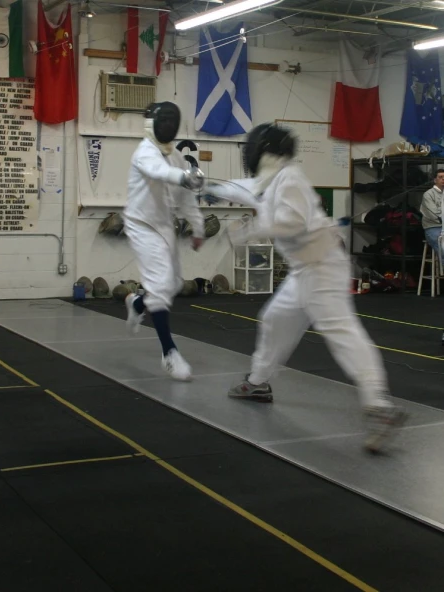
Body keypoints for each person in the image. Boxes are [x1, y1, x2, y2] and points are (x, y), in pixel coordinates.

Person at [206, 123, 407, 453]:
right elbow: (240, 188)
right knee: (274, 320)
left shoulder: (290, 178)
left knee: (342, 333)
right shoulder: (269, 180)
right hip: (305, 271)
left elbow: (293, 221)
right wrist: (204, 185)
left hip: (323, 267)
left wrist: (250, 229)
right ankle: (257, 384)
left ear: (265, 151)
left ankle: (380, 408)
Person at [122, 101, 206, 381]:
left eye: (172, 122)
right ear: (152, 124)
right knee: (159, 287)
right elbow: (161, 172)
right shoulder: (144, 152)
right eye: (164, 121)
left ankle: (136, 305)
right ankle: (169, 353)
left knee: (172, 285)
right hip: (141, 225)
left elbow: (185, 198)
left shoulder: (177, 157)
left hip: (164, 226)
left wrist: (198, 228)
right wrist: (184, 177)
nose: (168, 126)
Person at [420, 169, 444, 262]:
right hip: (433, 227)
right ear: (435, 180)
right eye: (440, 177)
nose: (443, 179)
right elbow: (435, 214)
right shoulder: (428, 195)